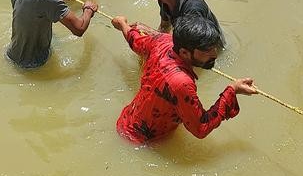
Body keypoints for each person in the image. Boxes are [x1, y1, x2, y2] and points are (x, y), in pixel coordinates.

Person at [110, 13, 257, 143]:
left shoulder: (162, 41)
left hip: (126, 120)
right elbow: (201, 128)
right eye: (207, 50)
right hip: (145, 140)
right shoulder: (181, 83)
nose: (214, 55)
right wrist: (232, 90)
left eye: (213, 47)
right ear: (185, 53)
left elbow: (135, 40)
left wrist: (122, 23)